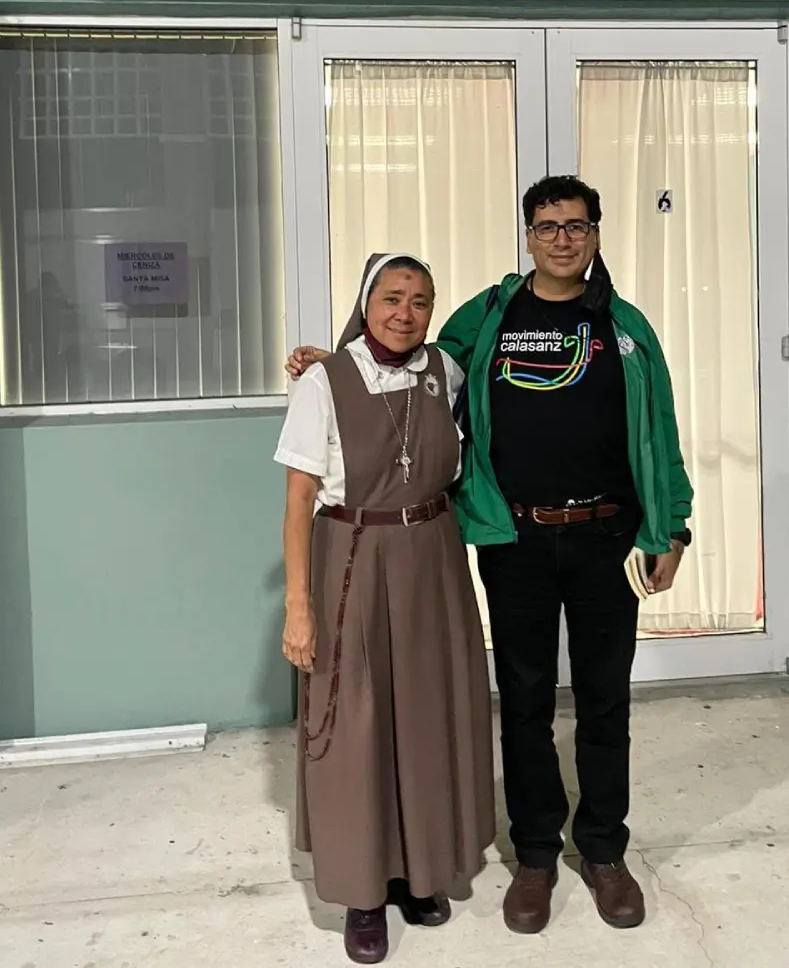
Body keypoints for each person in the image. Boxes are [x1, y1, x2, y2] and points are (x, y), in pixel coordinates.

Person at [287, 176, 693, 936]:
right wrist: (333, 360)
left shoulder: (627, 329)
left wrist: (672, 526)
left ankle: (604, 850)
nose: (562, 238)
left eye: (576, 225)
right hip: (517, 542)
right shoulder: (492, 316)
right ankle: (536, 853)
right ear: (529, 234)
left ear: (596, 233)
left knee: (606, 703)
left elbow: (660, 430)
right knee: (527, 705)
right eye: (547, 225)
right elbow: (407, 353)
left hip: (609, 538)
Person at [276, 253, 495, 965]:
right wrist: (299, 608)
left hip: (433, 559)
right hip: (354, 559)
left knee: (425, 716)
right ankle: (363, 891)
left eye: (422, 300)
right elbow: (300, 501)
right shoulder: (324, 381)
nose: (406, 312)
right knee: (356, 724)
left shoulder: (444, 373)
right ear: (367, 302)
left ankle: (417, 871)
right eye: (393, 297)